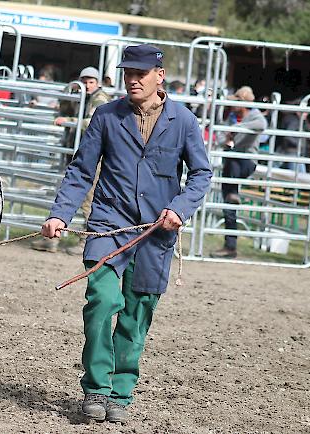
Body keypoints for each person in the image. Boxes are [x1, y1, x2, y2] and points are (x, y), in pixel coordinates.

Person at [40, 44, 212, 423]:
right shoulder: (106, 116)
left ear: (159, 75)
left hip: (157, 230)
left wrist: (179, 209)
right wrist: (60, 214)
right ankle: (97, 388)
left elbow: (201, 173)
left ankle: (120, 392)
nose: (132, 79)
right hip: (108, 222)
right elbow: (82, 171)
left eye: (140, 73)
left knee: (137, 313)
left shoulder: (183, 120)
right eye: (127, 73)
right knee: (101, 300)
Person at [32, 66, 111, 254]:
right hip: (75, 151)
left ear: (97, 83)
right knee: (64, 193)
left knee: (87, 198)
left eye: (91, 82)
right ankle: (52, 238)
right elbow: (64, 105)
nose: (87, 85)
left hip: (94, 155)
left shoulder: (100, 99)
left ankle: (86, 240)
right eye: (84, 81)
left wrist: (70, 120)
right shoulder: (80, 96)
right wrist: (70, 93)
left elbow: (93, 121)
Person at [211, 85, 267, 259]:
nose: (232, 105)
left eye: (236, 102)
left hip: (246, 161)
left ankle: (230, 245)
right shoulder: (232, 118)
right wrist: (229, 133)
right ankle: (230, 246)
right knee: (229, 203)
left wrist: (236, 129)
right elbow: (220, 137)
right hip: (232, 163)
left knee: (232, 158)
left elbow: (261, 124)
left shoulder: (254, 116)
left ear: (242, 103)